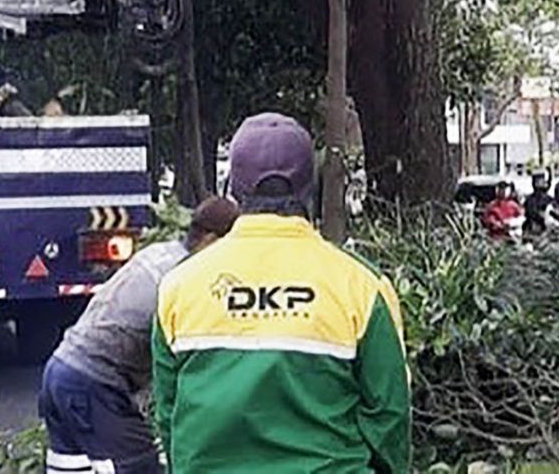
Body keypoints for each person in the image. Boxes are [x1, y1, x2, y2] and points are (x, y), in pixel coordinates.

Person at [152, 113, 411, 472]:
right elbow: (390, 417)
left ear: (232, 191)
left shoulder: (179, 289)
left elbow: (168, 415)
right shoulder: (362, 287)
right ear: (310, 190)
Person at [39, 196, 241, 474]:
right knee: (140, 468)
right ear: (210, 239)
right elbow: (185, 363)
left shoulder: (160, 253)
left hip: (60, 370)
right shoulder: (187, 278)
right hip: (95, 383)